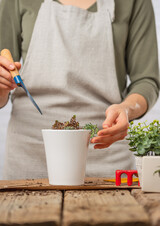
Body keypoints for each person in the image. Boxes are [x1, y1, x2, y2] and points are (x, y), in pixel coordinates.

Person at [0, 0, 159, 180]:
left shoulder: (134, 3)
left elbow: (146, 80)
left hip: (105, 149)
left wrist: (126, 110)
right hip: (29, 153)